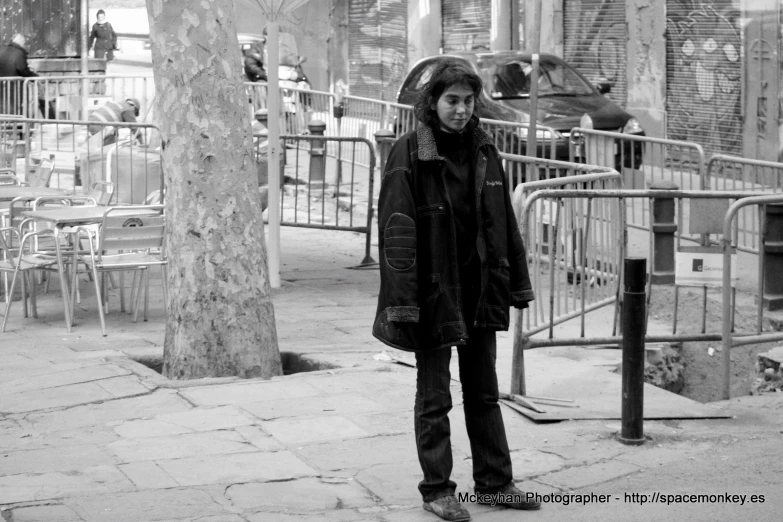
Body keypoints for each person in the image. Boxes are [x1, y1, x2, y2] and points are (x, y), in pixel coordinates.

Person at [372, 58, 539, 521]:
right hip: (432, 295)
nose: (461, 110)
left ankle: (495, 483)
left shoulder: (486, 150)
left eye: (468, 101)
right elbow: (397, 234)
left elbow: (504, 221)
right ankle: (437, 489)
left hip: (479, 290)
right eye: (452, 101)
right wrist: (403, 303)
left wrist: (516, 283)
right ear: (433, 103)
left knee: (484, 392)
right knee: (434, 397)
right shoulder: (409, 152)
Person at [0, 34, 37, 115]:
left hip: (2, 87)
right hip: (15, 88)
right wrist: (34, 77)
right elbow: (22, 69)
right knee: (16, 110)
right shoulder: (19, 53)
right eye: (24, 43)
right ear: (21, 42)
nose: (24, 45)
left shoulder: (2, 51)